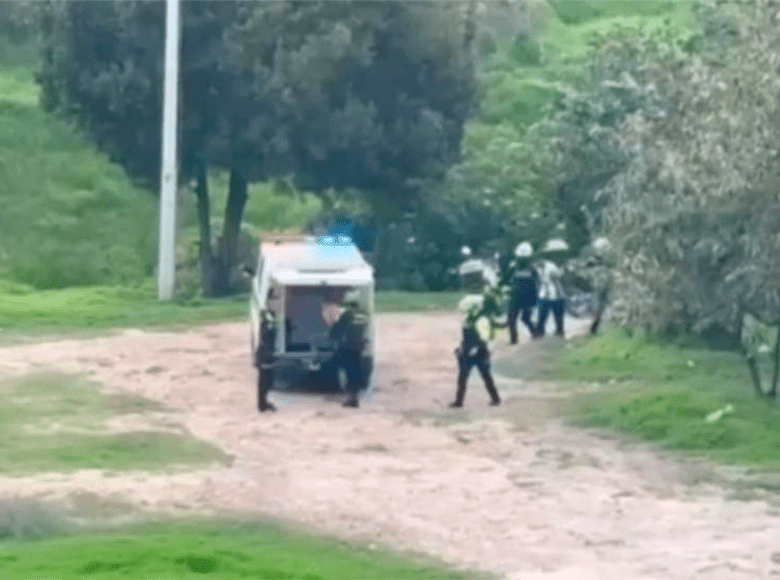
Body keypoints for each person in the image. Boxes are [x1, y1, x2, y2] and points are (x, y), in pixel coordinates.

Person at [450, 257, 501, 408]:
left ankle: (459, 401)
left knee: (463, 375)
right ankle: (495, 398)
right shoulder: (487, 298)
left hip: (470, 339)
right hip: (481, 341)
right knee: (486, 373)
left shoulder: (467, 301)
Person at [329, 292, 370, 408]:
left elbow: (337, 330)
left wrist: (332, 339)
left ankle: (351, 398)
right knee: (356, 371)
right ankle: (354, 396)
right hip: (358, 348)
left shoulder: (348, 315)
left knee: (349, 372)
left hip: (348, 347)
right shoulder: (363, 315)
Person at [535, 238, 569, 338]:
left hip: (555, 295)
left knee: (556, 318)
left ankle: (557, 334)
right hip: (546, 295)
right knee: (543, 318)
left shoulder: (550, 266)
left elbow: (556, 277)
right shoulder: (543, 267)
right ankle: (541, 334)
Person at [507, 241, 539, 343]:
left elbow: (537, 282)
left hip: (528, 297)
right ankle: (514, 339)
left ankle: (535, 333)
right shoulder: (513, 267)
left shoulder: (533, 268)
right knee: (511, 318)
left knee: (525, 318)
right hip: (515, 296)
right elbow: (506, 279)